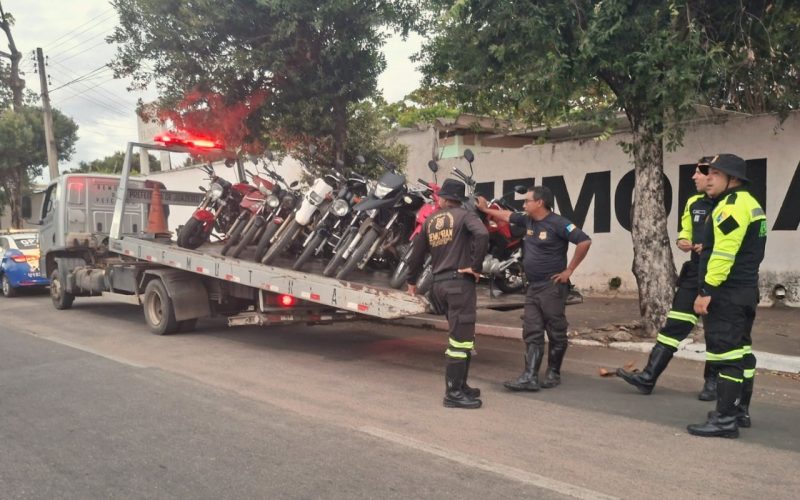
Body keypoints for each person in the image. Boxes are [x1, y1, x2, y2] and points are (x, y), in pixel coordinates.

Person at [617, 159, 717, 399]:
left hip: (718, 275)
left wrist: (711, 247)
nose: (694, 177)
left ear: (713, 176)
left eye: (699, 173)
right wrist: (683, 241)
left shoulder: (730, 204)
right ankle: (648, 377)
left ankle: (712, 385)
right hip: (693, 273)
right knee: (673, 326)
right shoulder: (694, 203)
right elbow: (685, 230)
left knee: (716, 332)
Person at [476, 186, 591, 391]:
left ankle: (553, 372)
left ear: (539, 202)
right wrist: (486, 210)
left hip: (552, 287)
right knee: (532, 330)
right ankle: (529, 376)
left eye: (527, 200)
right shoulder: (527, 219)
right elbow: (508, 215)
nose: (524, 204)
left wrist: (569, 270)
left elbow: (584, 241)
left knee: (556, 331)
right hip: (532, 287)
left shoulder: (559, 223)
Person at [687, 154, 766, 439]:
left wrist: (706, 291)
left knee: (726, 357)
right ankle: (739, 411)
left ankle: (724, 419)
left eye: (715, 174)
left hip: (727, 293)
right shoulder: (750, 203)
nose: (708, 178)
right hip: (745, 291)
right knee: (742, 353)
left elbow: (723, 253)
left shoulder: (730, 207)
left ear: (733, 179)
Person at [407, 178, 489, 409]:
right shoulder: (465, 216)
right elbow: (482, 235)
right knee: (460, 341)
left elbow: (417, 252)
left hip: (439, 285)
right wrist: (476, 267)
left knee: (461, 337)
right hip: (459, 285)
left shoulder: (431, 220)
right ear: (460, 199)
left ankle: (461, 386)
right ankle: (453, 393)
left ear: (443, 199)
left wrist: (411, 281)